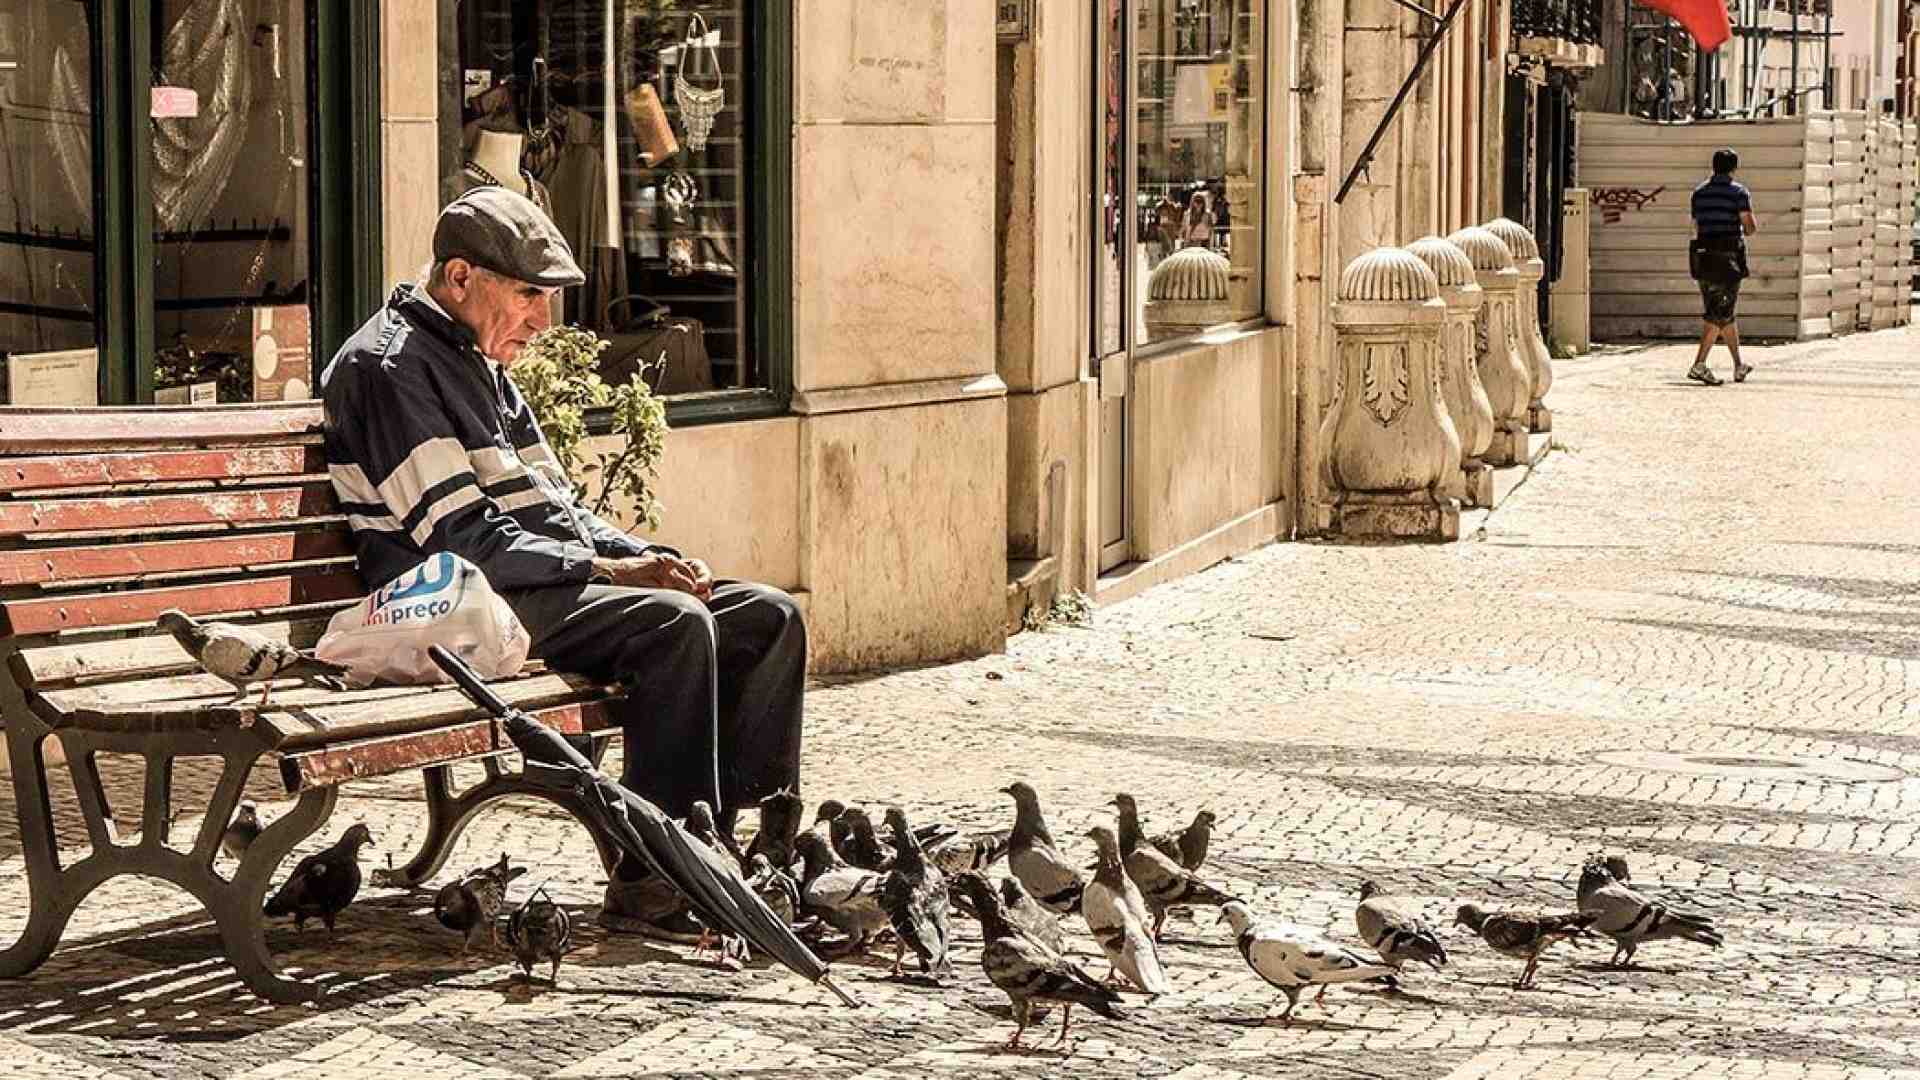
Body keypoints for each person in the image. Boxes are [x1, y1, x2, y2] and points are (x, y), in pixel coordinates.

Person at [319, 186, 805, 939]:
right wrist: (615, 575)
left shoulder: (478, 357)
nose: (543, 322)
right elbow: (458, 540)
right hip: (446, 607)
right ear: (459, 278)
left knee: (767, 615)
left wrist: (642, 554)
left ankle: (741, 852)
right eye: (528, 297)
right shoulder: (392, 368)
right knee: (670, 626)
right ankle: (656, 878)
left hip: (515, 588)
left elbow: (556, 508)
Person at [1688, 147, 1758, 386]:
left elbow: (1696, 225)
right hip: (1727, 259)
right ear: (1734, 168)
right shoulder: (1739, 193)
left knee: (1723, 312)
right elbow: (1749, 227)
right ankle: (1699, 364)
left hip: (1703, 256)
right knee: (1718, 313)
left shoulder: (1699, 193)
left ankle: (1738, 365)